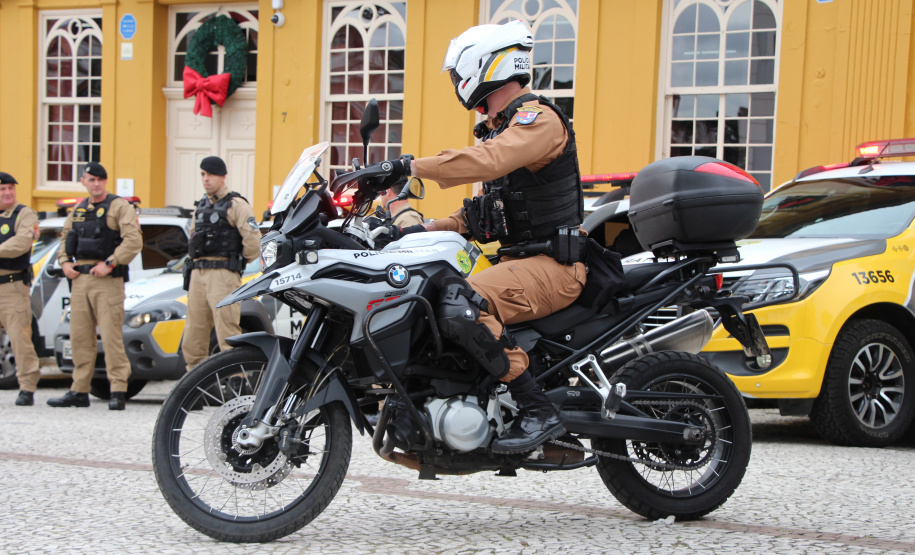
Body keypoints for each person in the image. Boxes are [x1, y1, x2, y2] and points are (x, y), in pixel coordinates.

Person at [371, 21, 589, 454]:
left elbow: (488, 161)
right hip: (519, 263)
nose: (457, 84)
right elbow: (479, 216)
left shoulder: (538, 121)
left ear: (484, 67)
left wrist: (408, 166)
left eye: (458, 75)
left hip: (557, 267)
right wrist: (415, 230)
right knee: (427, 292)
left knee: (462, 301)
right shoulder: (501, 130)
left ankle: (538, 409)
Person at [47, 162, 142, 410]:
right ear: (84, 182)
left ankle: (118, 389)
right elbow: (65, 238)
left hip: (107, 280)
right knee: (80, 338)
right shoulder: (79, 209)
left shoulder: (119, 206)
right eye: (91, 179)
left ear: (105, 181)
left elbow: (133, 241)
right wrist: (64, 262)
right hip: (80, 280)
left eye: (100, 179)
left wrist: (110, 263)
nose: (96, 184)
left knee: (111, 338)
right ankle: (79, 390)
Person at [181, 156, 260, 372]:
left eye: (210, 174)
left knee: (227, 333)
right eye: (203, 174)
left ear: (222, 176)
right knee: (193, 334)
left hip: (223, 273)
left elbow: (253, 243)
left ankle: (237, 380)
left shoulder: (237, 205)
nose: (206, 179)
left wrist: (235, 262)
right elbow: (193, 237)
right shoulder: (201, 206)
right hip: (198, 273)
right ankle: (195, 380)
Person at [0, 173, 42, 407]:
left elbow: (21, 243)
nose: (7, 192)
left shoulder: (24, 214)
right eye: (2, 189)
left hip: (11, 286)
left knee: (20, 338)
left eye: (10, 188)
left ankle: (27, 386)